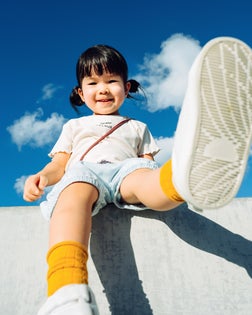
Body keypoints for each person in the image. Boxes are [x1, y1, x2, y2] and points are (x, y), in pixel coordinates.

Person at [23, 37, 252, 315]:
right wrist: (42, 177)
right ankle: (66, 293)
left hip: (126, 170)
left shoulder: (137, 126)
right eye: (93, 83)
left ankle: (181, 178)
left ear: (126, 87)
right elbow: (61, 163)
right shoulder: (74, 125)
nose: (103, 89)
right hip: (85, 172)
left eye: (111, 81)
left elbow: (145, 163)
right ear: (81, 93)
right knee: (73, 196)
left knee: (147, 182)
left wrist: (151, 175)